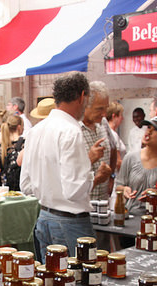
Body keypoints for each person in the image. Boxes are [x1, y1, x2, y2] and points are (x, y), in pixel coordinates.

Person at [20, 72, 98, 259]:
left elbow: (26, 186)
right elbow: (74, 191)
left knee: (52, 284)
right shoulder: (71, 131)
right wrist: (93, 176)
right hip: (69, 223)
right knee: (79, 285)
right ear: (82, 96)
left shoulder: (36, 130)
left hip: (45, 218)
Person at [116, 116, 157, 215]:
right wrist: (124, 190)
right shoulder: (130, 157)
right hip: (131, 214)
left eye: (155, 130)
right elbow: (118, 186)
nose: (148, 132)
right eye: (149, 127)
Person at [80, 81, 114, 203]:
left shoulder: (103, 122)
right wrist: (89, 159)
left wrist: (111, 178)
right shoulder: (73, 129)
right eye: (99, 109)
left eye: (106, 108)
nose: (104, 114)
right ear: (85, 104)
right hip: (84, 204)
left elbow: (113, 148)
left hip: (103, 201)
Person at [0, 113, 24, 190]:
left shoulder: (3, 145)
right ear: (19, 127)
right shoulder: (24, 143)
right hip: (20, 183)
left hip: (5, 185)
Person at [106, 101, 126, 165]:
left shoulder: (107, 131)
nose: (122, 118)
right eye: (120, 116)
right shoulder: (113, 135)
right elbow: (118, 162)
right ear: (114, 116)